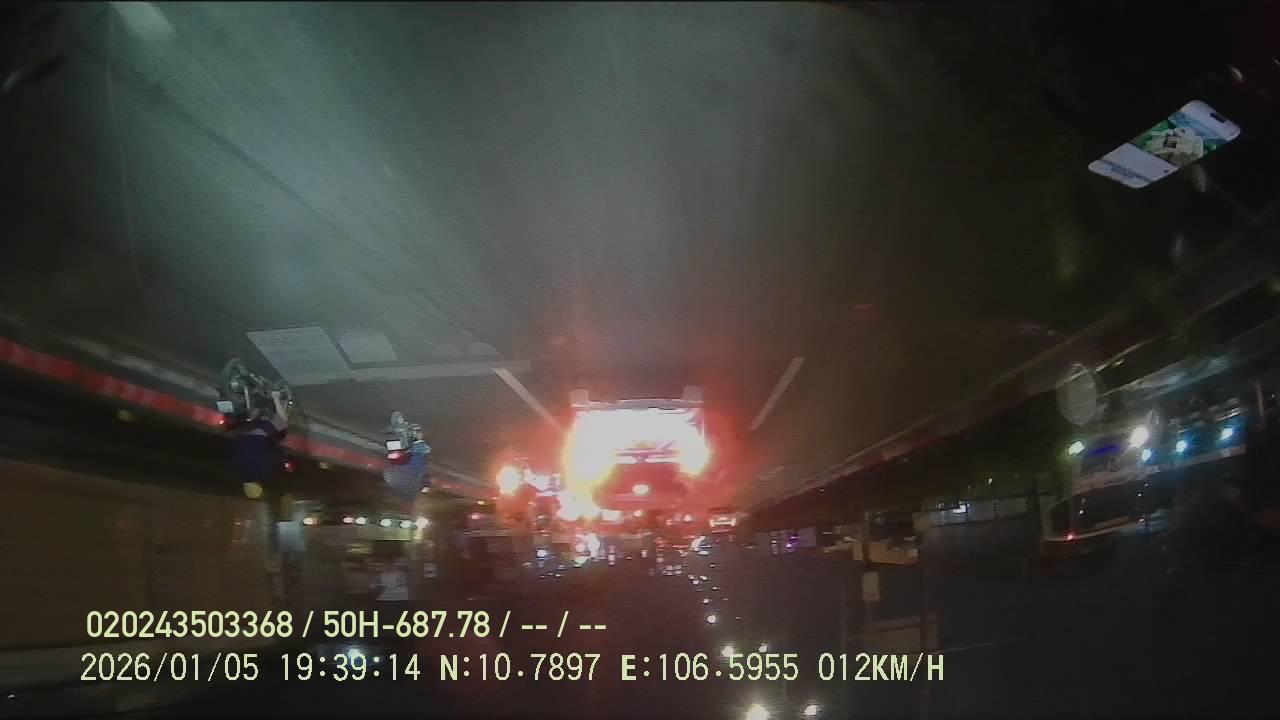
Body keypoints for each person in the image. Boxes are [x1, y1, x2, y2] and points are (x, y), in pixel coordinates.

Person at [230, 389, 290, 501]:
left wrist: (279, 451)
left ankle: (276, 397)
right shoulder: (238, 472)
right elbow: (234, 453)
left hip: (258, 434)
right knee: (248, 417)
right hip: (241, 432)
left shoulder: (261, 472)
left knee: (282, 422)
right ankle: (249, 396)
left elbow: (271, 453)